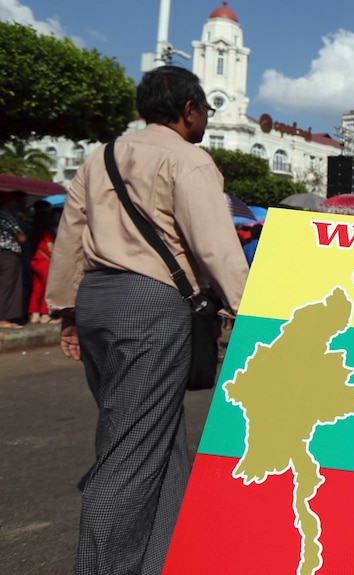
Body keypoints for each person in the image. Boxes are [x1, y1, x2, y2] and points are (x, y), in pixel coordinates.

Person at [46, 66, 249, 575]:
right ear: (188, 111)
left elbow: (71, 234)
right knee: (130, 450)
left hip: (95, 298)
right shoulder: (190, 160)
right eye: (205, 110)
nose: (205, 120)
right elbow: (214, 247)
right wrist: (250, 310)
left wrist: (67, 311)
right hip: (150, 304)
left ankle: (166, 557)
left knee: (155, 436)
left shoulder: (102, 156)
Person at [27, 200, 57, 324]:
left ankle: (34, 315)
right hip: (45, 261)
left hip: (35, 260)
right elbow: (51, 249)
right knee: (48, 288)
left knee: (37, 288)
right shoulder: (47, 231)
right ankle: (45, 315)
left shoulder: (33, 229)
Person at [0, 191, 27, 328]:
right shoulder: (6, 216)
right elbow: (22, 237)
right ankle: (3, 318)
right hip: (8, 254)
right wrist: (16, 237)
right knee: (8, 285)